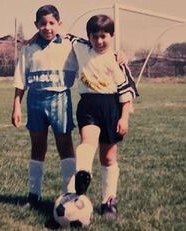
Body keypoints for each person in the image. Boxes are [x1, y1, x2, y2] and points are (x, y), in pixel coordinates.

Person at [68, 14, 137, 220]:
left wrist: (124, 118)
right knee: (87, 141)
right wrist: (34, 37)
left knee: (107, 157)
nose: (99, 41)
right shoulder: (81, 47)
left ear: (112, 35)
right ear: (88, 37)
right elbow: (58, 33)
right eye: (94, 36)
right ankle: (82, 176)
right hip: (88, 105)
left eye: (104, 36)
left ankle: (109, 200)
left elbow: (126, 93)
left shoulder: (116, 60)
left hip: (111, 107)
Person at [11, 5, 78, 207]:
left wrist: (119, 56)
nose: (47, 27)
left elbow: (94, 50)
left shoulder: (70, 45)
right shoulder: (29, 48)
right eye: (43, 23)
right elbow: (20, 79)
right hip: (35, 101)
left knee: (64, 145)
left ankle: (70, 194)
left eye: (51, 23)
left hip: (60, 99)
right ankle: (34, 195)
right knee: (38, 146)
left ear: (59, 24)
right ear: (36, 25)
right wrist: (16, 106)